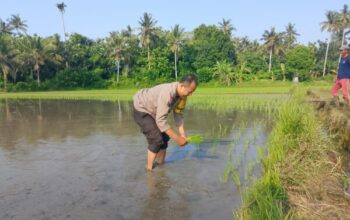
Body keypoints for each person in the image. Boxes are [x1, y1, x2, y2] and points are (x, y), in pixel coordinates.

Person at [133, 74, 198, 171]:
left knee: (165, 137)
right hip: (142, 107)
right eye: (189, 91)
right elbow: (161, 121)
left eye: (192, 92)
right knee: (156, 139)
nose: (190, 94)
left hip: (154, 111)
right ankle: (149, 170)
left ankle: (160, 164)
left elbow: (178, 114)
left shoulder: (183, 97)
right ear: (181, 85)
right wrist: (177, 139)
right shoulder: (168, 94)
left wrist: (183, 135)